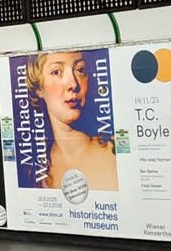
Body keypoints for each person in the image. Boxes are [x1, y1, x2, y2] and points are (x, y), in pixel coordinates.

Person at [24, 51, 118, 193]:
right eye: (56, 72)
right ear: (39, 88)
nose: (73, 84)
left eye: (80, 70)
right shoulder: (37, 173)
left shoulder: (115, 150)